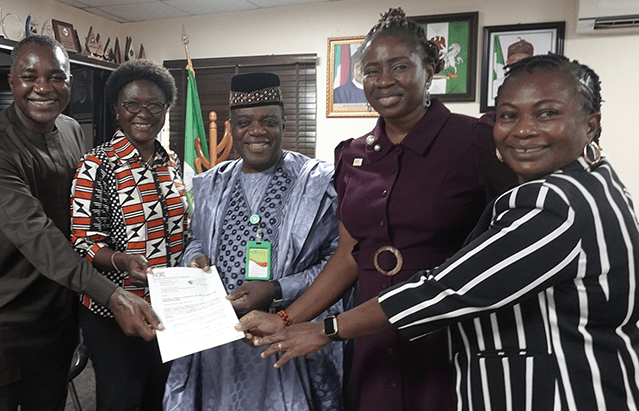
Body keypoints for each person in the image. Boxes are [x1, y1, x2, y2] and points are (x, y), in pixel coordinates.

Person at [247, 54, 639, 411]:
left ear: (590, 125)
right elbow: (349, 255)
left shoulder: (553, 201)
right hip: (403, 344)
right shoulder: (596, 182)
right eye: (508, 116)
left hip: (558, 389)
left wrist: (325, 330)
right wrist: (286, 318)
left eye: (546, 113)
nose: (523, 131)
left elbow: (445, 290)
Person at [237, 8, 515, 411]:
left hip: (448, 335)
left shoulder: (474, 141)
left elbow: (511, 242)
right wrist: (285, 320)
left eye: (399, 66)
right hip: (366, 334)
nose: (383, 80)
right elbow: (348, 258)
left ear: (430, 70)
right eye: (370, 70)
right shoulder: (353, 156)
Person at [0, 36, 161, 411]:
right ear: (12, 83)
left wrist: (119, 257)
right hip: (1, 314)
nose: (43, 88)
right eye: (29, 76)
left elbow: (81, 214)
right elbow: (36, 234)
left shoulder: (69, 130)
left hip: (55, 307)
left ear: (70, 82)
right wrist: (113, 294)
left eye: (56, 77)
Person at [163, 72, 348, 411]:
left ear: (285, 123)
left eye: (269, 122)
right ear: (232, 128)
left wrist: (278, 288)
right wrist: (194, 259)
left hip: (289, 333)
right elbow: (195, 241)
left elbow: (338, 264)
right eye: (245, 122)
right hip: (220, 339)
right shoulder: (209, 185)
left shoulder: (320, 184)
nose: (257, 131)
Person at [70, 58, 189, 411]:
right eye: (132, 104)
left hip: (168, 306)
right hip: (114, 310)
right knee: (122, 398)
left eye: (155, 105)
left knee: (162, 395)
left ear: (166, 109)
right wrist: (120, 260)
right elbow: (82, 243)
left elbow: (182, 227)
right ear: (116, 109)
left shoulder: (172, 162)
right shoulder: (96, 165)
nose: (144, 113)